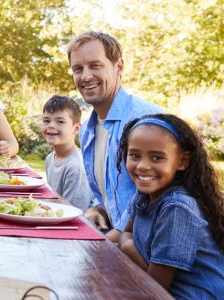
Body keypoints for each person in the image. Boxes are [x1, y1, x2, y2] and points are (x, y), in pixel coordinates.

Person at [117, 114, 224, 299]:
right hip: (154, 286)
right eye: (135, 155)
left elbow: (155, 288)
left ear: (182, 161)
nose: (143, 166)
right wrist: (127, 244)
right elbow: (125, 233)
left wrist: (128, 248)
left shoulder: (177, 208)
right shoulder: (144, 195)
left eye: (156, 157)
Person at [67, 31, 163, 242]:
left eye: (95, 65)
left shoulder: (146, 121)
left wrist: (115, 238)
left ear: (118, 66)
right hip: (117, 240)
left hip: (152, 253)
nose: (85, 76)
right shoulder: (87, 130)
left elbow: (162, 197)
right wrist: (97, 209)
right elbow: (114, 193)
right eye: (78, 69)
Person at [42, 95, 93, 211]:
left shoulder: (76, 167)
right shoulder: (50, 158)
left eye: (60, 121)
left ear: (75, 128)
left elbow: (76, 212)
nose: (51, 125)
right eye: (46, 120)